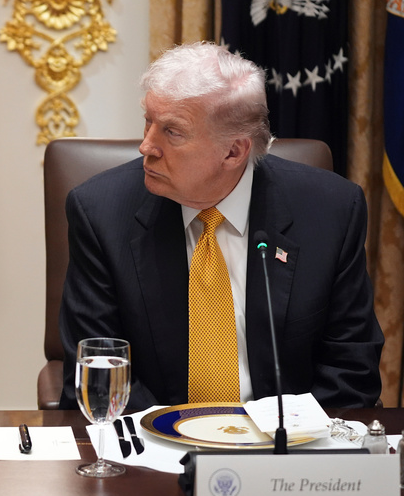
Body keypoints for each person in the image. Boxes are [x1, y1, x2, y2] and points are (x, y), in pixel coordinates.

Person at [59, 41, 383, 411]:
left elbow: (351, 371)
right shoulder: (101, 212)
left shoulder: (330, 211)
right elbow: (99, 372)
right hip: (157, 446)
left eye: (172, 132)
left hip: (284, 449)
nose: (146, 146)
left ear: (234, 151)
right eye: (148, 121)